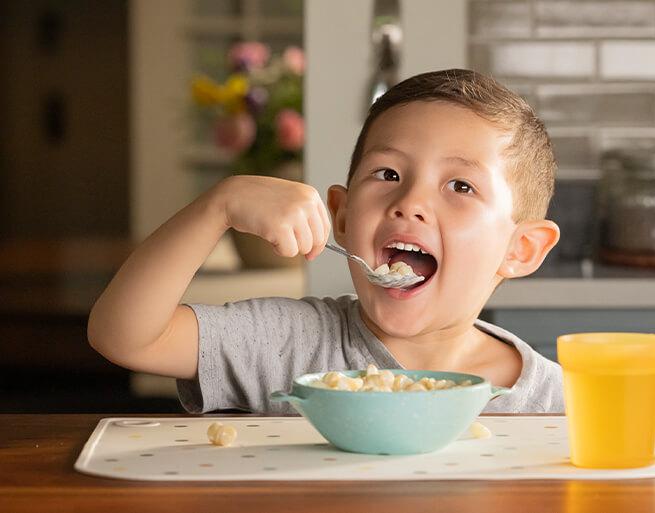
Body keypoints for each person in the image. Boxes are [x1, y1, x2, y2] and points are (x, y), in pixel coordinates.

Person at [89, 69, 573, 414]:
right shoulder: (288, 344)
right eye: (388, 173)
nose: (410, 202)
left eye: (461, 186)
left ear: (520, 249)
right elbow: (125, 337)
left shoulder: (555, 403)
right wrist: (218, 206)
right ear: (340, 216)